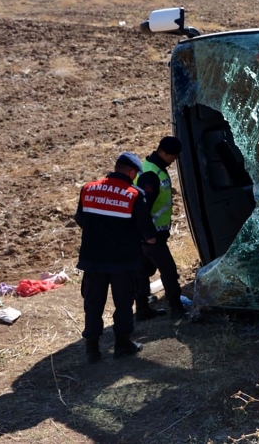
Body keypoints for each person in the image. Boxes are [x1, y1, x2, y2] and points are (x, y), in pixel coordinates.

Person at [76, 152, 157, 363]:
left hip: (93, 259)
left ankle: (92, 349)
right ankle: (122, 344)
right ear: (131, 172)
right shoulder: (134, 194)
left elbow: (81, 219)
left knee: (93, 304)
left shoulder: (88, 188)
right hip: (123, 261)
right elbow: (148, 235)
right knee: (123, 302)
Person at [134, 136, 187, 320]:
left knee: (142, 272)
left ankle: (142, 310)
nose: (175, 159)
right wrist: (149, 235)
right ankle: (177, 309)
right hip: (151, 236)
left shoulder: (150, 168)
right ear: (163, 153)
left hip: (145, 235)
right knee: (169, 272)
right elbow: (142, 208)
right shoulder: (151, 175)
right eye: (173, 156)